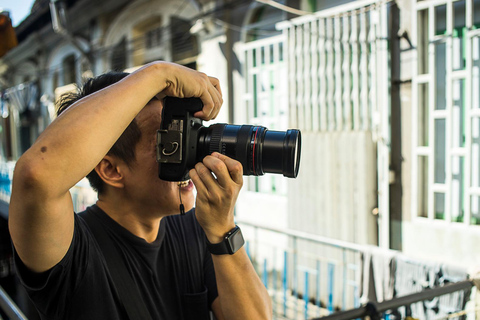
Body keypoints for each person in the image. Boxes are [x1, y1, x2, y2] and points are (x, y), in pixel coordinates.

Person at [8, 61, 273, 319]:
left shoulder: (197, 228)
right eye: (171, 142)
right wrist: (158, 73)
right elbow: (36, 175)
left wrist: (223, 231)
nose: (192, 156)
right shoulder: (74, 255)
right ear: (111, 170)